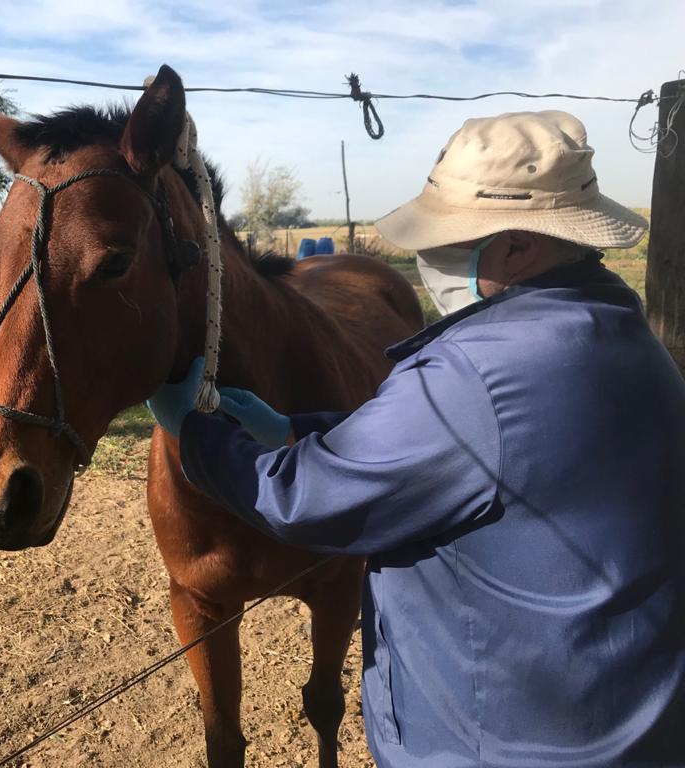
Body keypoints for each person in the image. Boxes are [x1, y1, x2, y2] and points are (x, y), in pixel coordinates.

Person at [147, 111, 685, 768]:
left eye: (450, 241)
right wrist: (292, 428)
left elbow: (305, 499)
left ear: (518, 245)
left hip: (498, 744)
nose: (429, 259)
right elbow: (460, 452)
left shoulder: (475, 375)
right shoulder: (623, 332)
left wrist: (195, 434)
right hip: (627, 720)